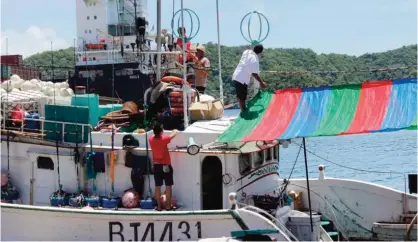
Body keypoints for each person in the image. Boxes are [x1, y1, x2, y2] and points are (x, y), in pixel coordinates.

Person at [148, 122, 179, 211]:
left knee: (158, 186)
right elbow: (175, 133)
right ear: (161, 131)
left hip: (156, 166)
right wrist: (175, 130)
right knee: (168, 186)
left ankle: (158, 206)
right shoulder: (164, 139)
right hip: (166, 166)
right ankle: (168, 206)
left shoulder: (150, 139)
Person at [232, 44, 268, 112]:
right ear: (260, 52)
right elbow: (255, 74)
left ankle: (243, 109)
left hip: (237, 75)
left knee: (242, 95)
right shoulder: (254, 60)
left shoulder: (246, 52)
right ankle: (243, 111)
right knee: (242, 96)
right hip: (242, 78)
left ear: (254, 47)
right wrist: (262, 83)